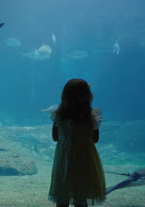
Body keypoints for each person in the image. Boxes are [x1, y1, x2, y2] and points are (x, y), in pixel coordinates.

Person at [48, 79, 106, 207]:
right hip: (84, 158)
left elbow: (55, 137)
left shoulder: (59, 116)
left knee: (62, 193)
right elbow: (95, 139)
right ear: (87, 96)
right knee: (81, 194)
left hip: (64, 158)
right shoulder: (92, 117)